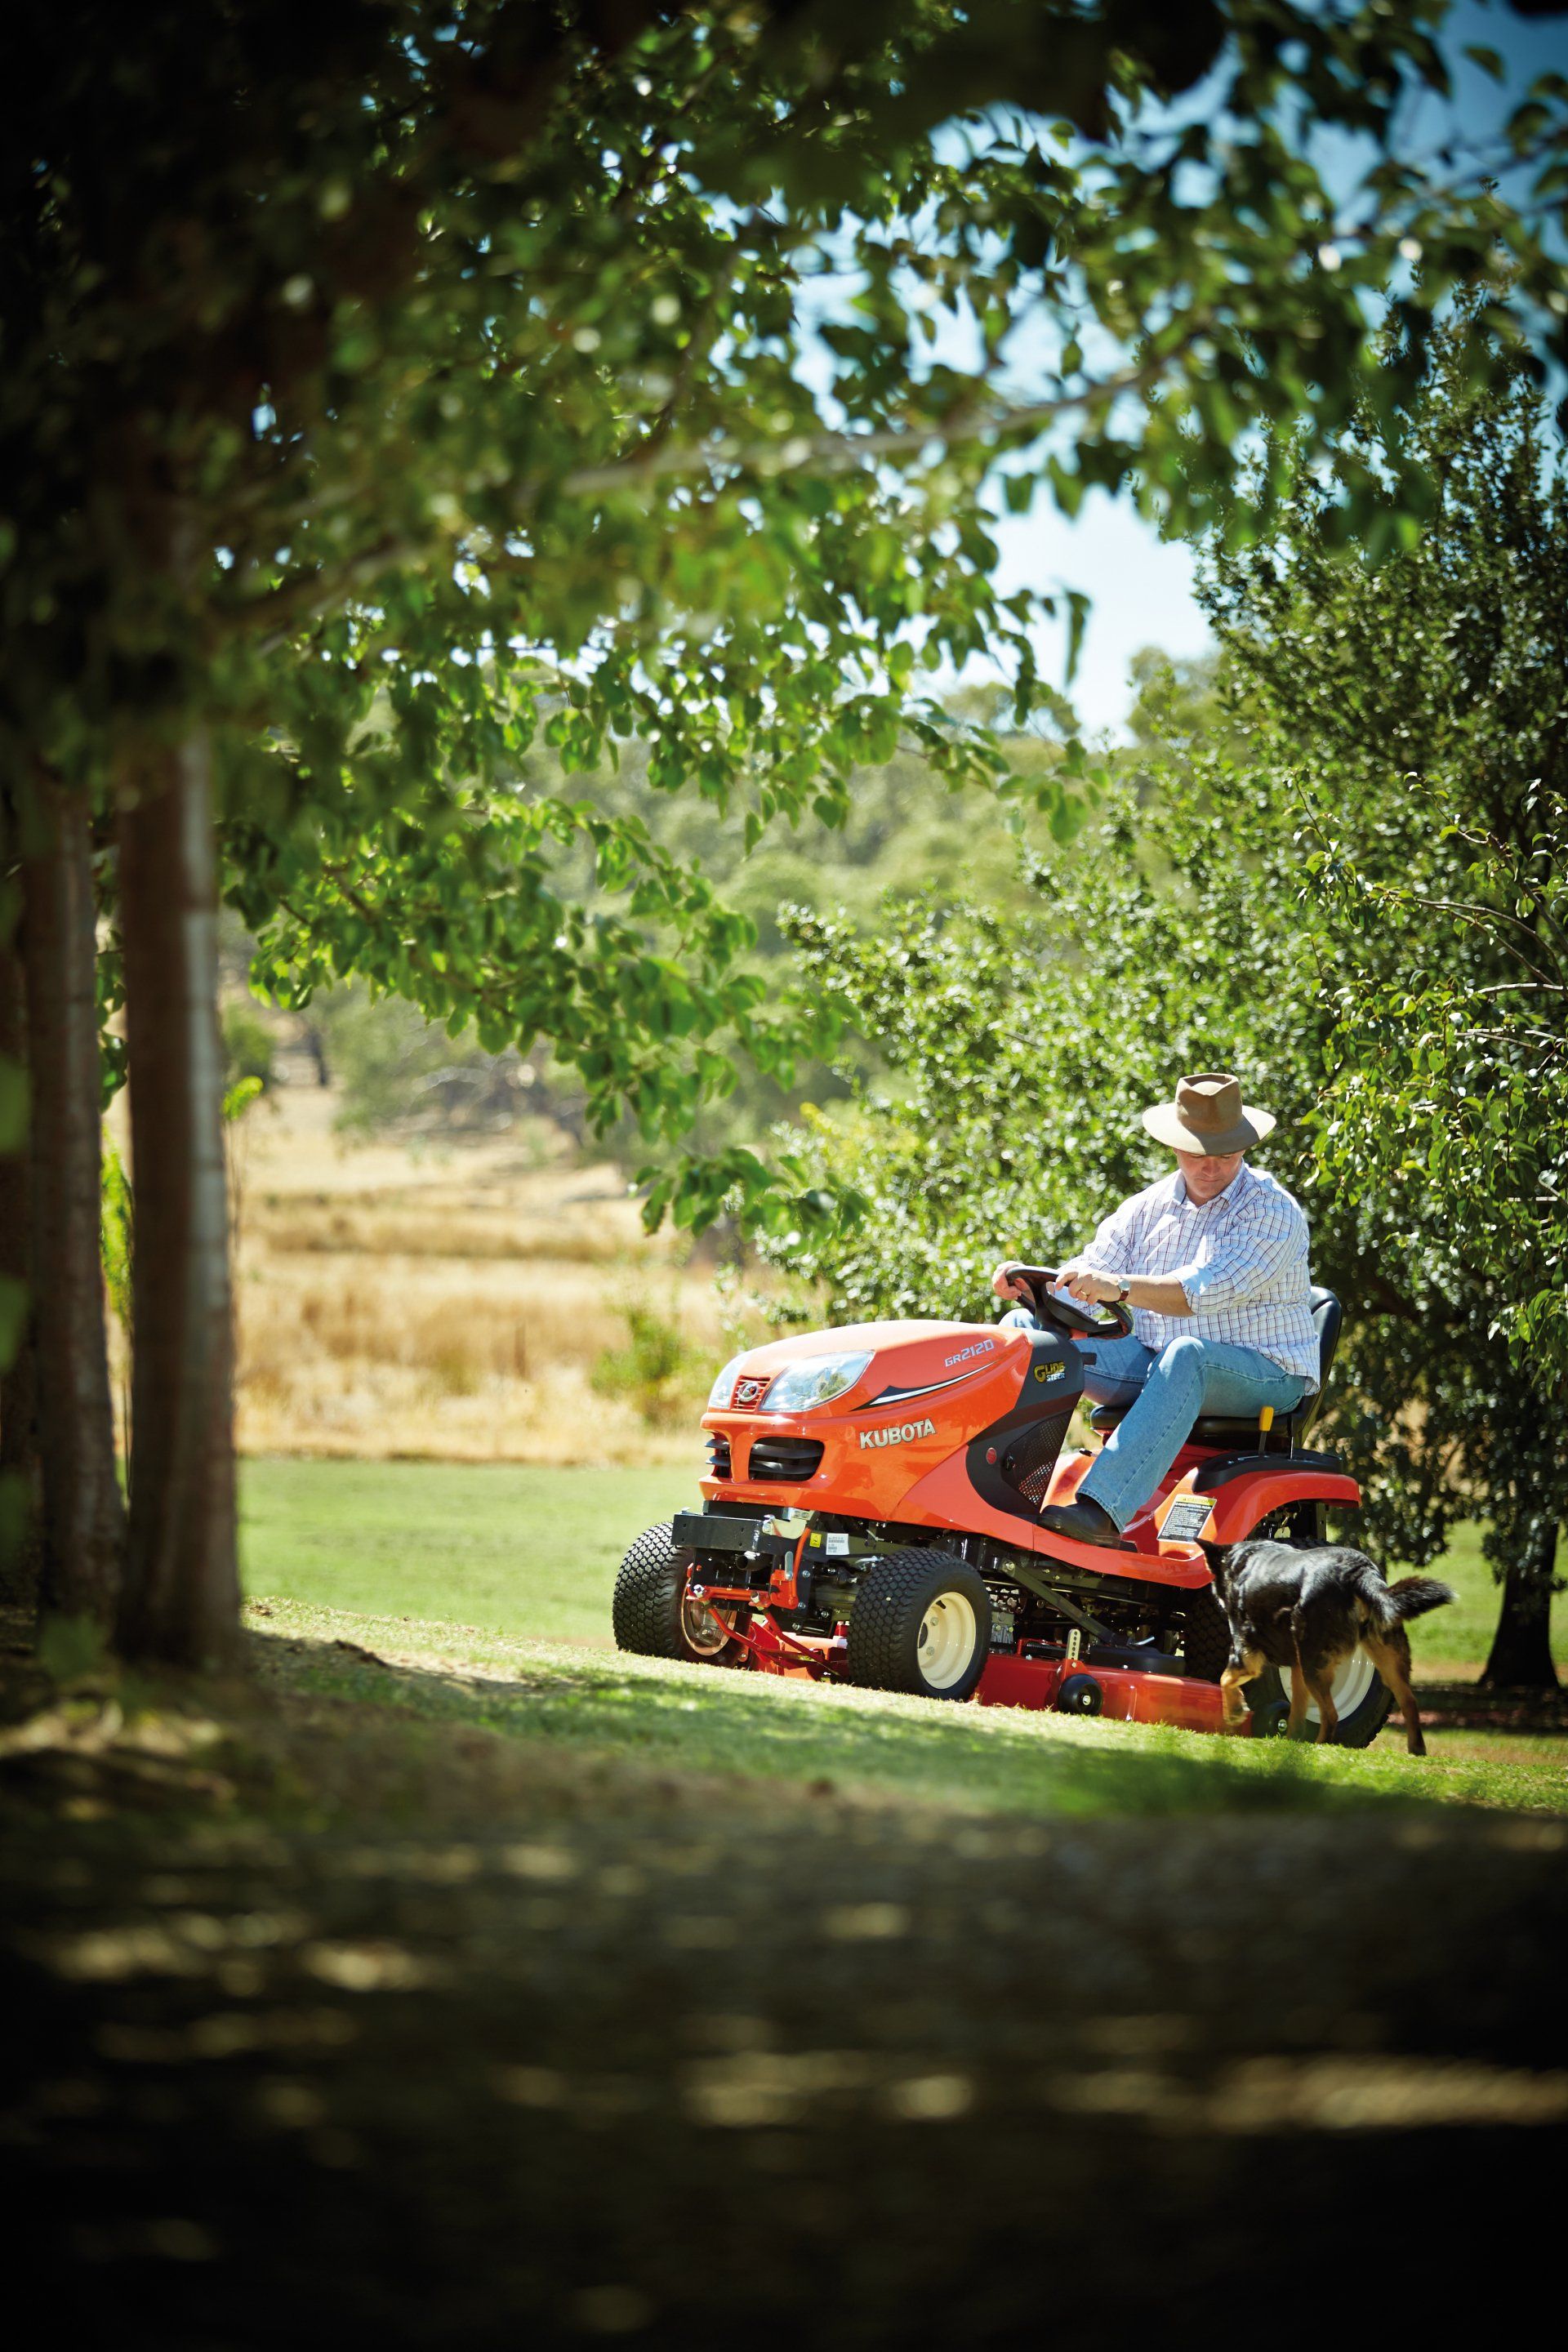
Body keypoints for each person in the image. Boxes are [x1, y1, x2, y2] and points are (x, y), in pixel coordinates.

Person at [991, 1071, 1318, 1548]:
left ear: (1244, 1149)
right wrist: (1031, 1286)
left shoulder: (1271, 1212)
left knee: (1189, 1355)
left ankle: (1103, 1510)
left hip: (1267, 1373)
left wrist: (1118, 1288)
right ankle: (1000, 1486)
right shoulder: (1146, 1209)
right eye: (1197, 1154)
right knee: (1025, 1331)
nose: (1210, 1168)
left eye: (1225, 1155)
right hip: (1157, 1358)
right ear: (1174, 1146)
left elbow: (1204, 1291)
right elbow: (1091, 1270)